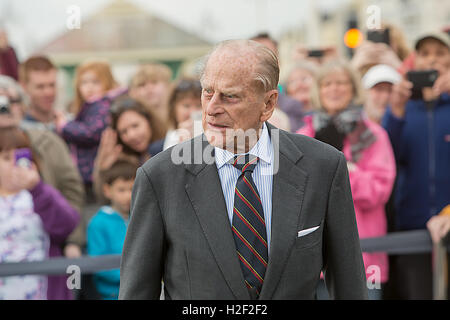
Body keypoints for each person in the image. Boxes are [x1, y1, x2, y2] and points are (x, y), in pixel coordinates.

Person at [119, 39, 367, 300]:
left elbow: (350, 284)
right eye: (207, 92)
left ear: (268, 104)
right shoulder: (160, 177)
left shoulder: (323, 167)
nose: (212, 109)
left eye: (230, 96)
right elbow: (137, 292)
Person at [296, 60, 396, 299]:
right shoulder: (302, 137)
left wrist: (343, 170)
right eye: (327, 84)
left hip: (363, 255)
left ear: (353, 88)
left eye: (341, 83)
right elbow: (294, 193)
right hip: (313, 257)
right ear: (318, 91)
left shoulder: (373, 135)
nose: (334, 89)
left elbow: (378, 192)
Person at [381, 31, 450, 300]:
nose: (432, 60)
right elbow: (388, 158)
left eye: (440, 53)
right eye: (425, 53)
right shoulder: (403, 107)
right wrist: (395, 112)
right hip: (413, 226)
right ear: (415, 61)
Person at [0, 75, 85, 262]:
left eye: (11, 101)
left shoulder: (48, 141)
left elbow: (71, 190)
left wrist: (73, 241)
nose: (4, 107)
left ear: (23, 105)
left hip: (47, 245)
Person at [0, 126, 80, 300]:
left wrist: (37, 189)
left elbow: (68, 224)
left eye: (20, 157)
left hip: (44, 290)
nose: (14, 164)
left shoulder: (40, 192)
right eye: (6, 158)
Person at [58, 60, 126, 203]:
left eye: (95, 82)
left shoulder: (102, 106)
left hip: (93, 170)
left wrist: (65, 126)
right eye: (84, 82)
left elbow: (92, 132)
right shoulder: (90, 107)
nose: (89, 87)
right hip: (87, 169)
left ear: (107, 82)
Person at [93, 96, 165, 204]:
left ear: (149, 121)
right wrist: (102, 170)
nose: (131, 135)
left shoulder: (169, 145)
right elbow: (105, 199)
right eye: (124, 131)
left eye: (135, 126)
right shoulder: (126, 159)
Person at [87, 159, 138, 300]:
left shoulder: (142, 218)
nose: (128, 196)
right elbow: (98, 263)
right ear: (107, 191)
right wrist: (132, 277)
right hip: (112, 294)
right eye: (121, 190)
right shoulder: (98, 223)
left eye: (132, 189)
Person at [251, 32, 302, 132]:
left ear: (278, 63)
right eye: (257, 56)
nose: (262, 63)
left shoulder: (294, 106)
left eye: (268, 57)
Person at [18, 56, 62, 131]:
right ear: (24, 87)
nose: (48, 92)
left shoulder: (72, 125)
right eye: (40, 87)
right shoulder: (20, 131)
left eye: (52, 85)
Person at [163, 77, 203, 150]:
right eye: (186, 105)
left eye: (198, 105)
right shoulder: (170, 136)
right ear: (173, 107)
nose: (193, 112)